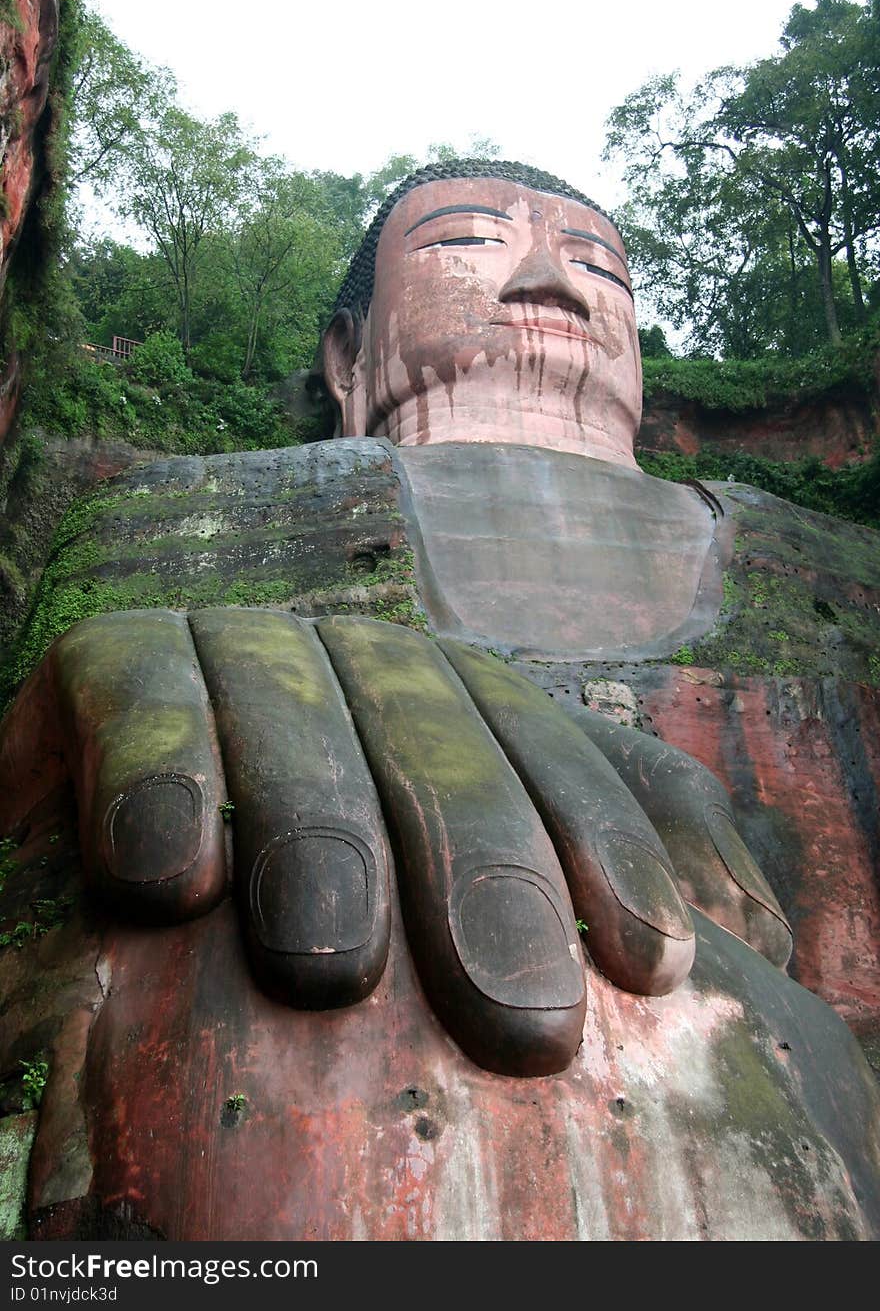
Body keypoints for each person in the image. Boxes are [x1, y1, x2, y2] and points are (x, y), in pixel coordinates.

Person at [1, 162, 878, 1240]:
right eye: (468, 242)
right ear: (346, 354)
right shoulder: (200, 512)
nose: (553, 280)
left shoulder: (839, 569)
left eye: (600, 265)